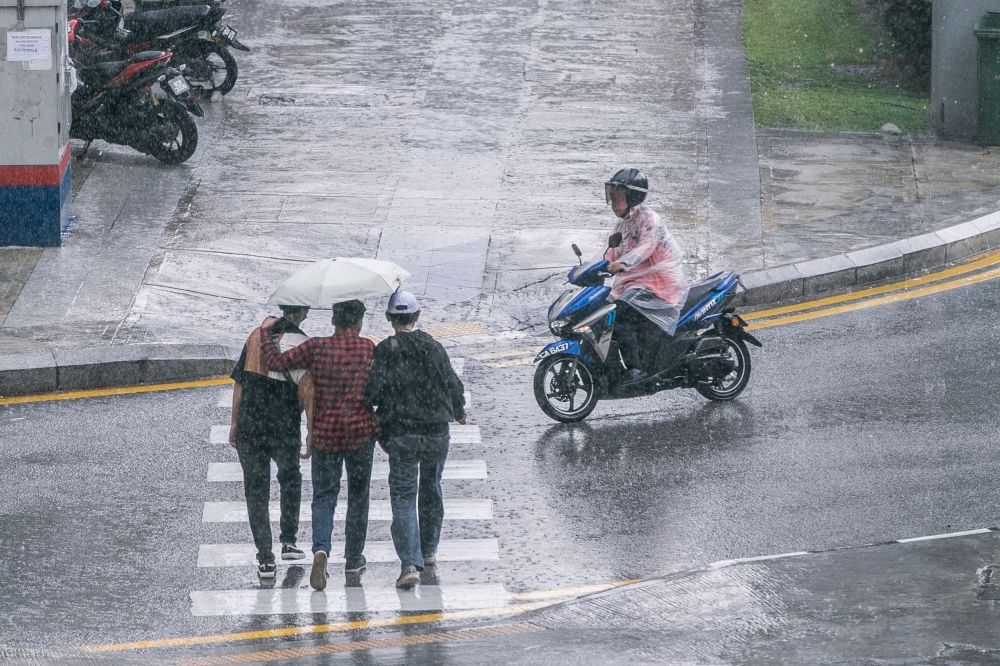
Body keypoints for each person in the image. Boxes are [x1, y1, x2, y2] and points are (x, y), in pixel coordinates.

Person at [260, 299, 379, 592]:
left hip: (326, 433)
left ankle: (321, 549)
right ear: (359, 323)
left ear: (333, 322)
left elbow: (275, 362)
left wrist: (266, 335)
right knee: (359, 496)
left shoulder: (316, 347)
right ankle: (353, 557)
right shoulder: (368, 348)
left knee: (324, 496)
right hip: (360, 433)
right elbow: (377, 387)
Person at [365, 291, 467, 589]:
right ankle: (429, 549)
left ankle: (409, 562)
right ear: (417, 316)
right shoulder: (433, 347)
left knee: (404, 496)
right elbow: (452, 382)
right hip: (436, 430)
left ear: (388, 318)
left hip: (402, 433)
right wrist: (458, 410)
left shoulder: (385, 350)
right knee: (432, 487)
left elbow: (373, 391)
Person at [228, 304, 312, 579]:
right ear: (304, 312)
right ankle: (288, 539)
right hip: (284, 428)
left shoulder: (255, 337)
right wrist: (309, 429)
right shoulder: (303, 345)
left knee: (256, 490)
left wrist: (234, 422)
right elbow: (307, 394)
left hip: (251, 426)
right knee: (290, 478)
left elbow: (239, 382)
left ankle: (265, 559)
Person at [603, 168, 689, 383]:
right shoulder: (621, 225)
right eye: (611, 196)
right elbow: (609, 255)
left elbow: (646, 247)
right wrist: (587, 271)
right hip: (633, 283)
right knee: (600, 310)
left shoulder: (649, 219)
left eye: (616, 197)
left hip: (659, 282)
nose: (612, 201)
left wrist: (623, 263)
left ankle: (635, 369)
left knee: (619, 312)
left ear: (631, 196)